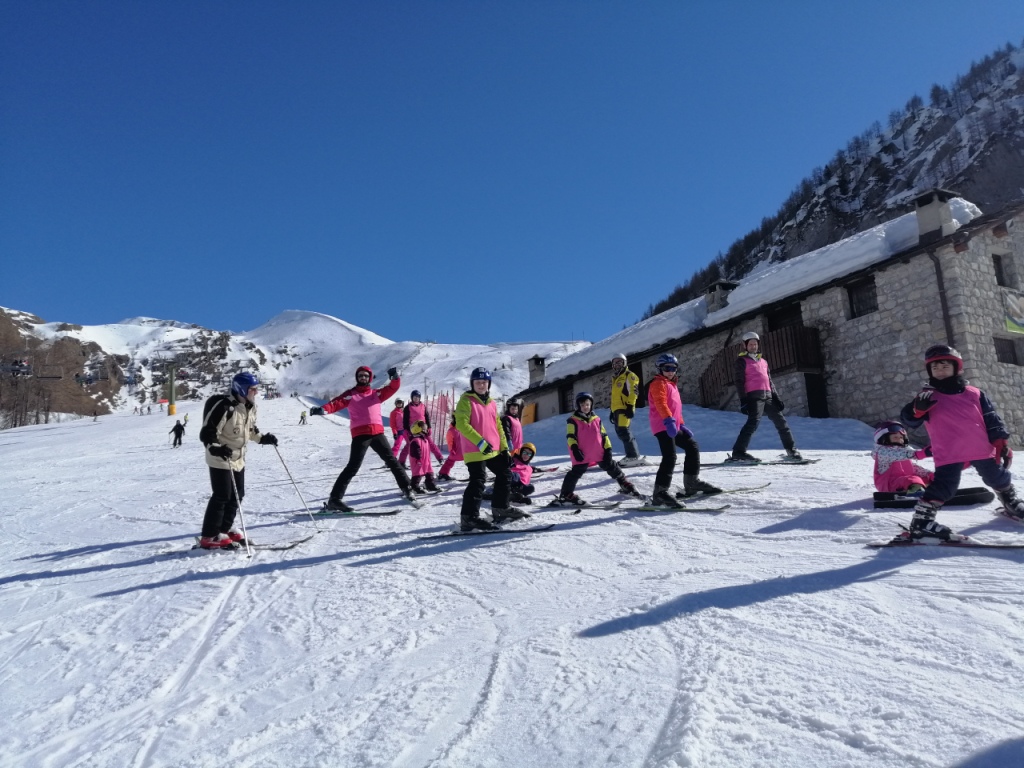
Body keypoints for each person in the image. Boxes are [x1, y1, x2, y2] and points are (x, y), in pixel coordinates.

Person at [898, 344, 1024, 541]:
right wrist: (916, 411)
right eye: (935, 367)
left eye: (945, 366)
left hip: (981, 448)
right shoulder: (927, 396)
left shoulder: (975, 393)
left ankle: (1010, 502)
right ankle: (921, 522)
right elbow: (909, 420)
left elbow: (991, 418)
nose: (940, 371)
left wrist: (1001, 440)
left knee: (998, 477)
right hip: (949, 452)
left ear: (957, 367)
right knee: (944, 486)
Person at [317, 366, 414, 512]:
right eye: (360, 375)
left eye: (365, 376)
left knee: (392, 461)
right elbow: (336, 403)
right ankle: (334, 500)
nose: (363, 378)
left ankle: (407, 489)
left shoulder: (376, 394)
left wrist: (395, 378)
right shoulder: (351, 395)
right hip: (360, 434)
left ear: (370, 378)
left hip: (377, 433)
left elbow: (392, 388)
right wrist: (323, 409)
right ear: (357, 378)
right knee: (353, 466)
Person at [197, 372, 277, 550]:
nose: (256, 392)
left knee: (237, 495)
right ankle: (210, 535)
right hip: (220, 457)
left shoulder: (249, 407)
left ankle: (224, 529)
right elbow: (207, 432)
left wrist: (263, 439)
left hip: (238, 458)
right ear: (242, 389)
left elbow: (250, 429)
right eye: (252, 389)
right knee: (222, 496)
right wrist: (216, 448)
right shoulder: (224, 407)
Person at [455, 367, 528, 531]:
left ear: (489, 384)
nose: (481, 385)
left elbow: (498, 427)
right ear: (472, 384)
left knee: (505, 473)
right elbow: (461, 424)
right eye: (478, 382)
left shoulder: (492, 403)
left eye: (484, 382)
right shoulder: (466, 400)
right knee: (478, 480)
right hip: (475, 450)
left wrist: (504, 449)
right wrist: (480, 442)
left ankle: (501, 508)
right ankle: (469, 518)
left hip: (493, 450)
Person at [647, 353, 721, 507]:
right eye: (667, 368)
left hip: (673, 425)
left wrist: (681, 424)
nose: (670, 371)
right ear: (659, 368)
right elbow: (661, 403)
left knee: (692, 446)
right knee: (670, 457)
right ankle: (659, 494)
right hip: (662, 425)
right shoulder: (657, 383)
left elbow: (676, 408)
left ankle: (691, 483)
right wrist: (668, 420)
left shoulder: (671, 384)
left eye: (673, 368)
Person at [551, 392, 640, 506]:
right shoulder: (572, 420)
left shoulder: (597, 419)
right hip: (581, 452)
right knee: (576, 472)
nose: (585, 407)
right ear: (578, 406)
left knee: (611, 466)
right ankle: (566, 494)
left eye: (587, 405)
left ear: (591, 405)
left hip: (598, 451)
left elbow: (604, 435)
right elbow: (570, 436)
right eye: (582, 405)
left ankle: (624, 483)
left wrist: (608, 449)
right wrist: (574, 448)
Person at [728, 332, 802, 463]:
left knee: (781, 423)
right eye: (751, 344)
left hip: (768, 396)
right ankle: (739, 452)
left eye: (755, 344)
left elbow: (770, 381)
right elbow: (739, 382)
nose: (753, 346)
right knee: (752, 423)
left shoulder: (763, 361)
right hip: (754, 397)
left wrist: (776, 397)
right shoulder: (741, 361)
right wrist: (743, 400)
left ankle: (791, 450)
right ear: (745, 346)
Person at [872, 421, 933, 496]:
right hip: (888, 484)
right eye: (895, 437)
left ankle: (936, 490)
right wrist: (918, 454)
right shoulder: (882, 452)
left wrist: (929, 474)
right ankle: (917, 493)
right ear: (884, 438)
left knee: (926, 478)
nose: (899, 439)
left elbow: (914, 468)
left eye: (901, 437)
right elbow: (896, 454)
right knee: (912, 479)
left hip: (906, 482)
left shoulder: (904, 452)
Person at [610, 353, 647, 467]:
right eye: (615, 362)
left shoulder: (629, 375)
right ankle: (632, 455)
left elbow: (633, 392)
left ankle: (632, 456)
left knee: (624, 431)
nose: (617, 364)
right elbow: (615, 396)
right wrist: (612, 411)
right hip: (617, 409)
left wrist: (630, 406)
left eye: (620, 362)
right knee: (620, 432)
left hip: (625, 408)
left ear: (625, 363)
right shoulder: (616, 378)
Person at [399, 391, 431, 465]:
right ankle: (401, 462)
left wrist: (429, 427)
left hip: (422, 429)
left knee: (426, 445)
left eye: (417, 397)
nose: (416, 398)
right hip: (413, 430)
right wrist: (407, 430)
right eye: (414, 397)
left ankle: (429, 460)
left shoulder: (423, 406)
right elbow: (405, 420)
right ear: (412, 398)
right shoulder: (407, 408)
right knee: (409, 445)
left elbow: (427, 417)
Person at [408, 420, 440, 493]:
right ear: (418, 429)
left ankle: (430, 484)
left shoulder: (425, 440)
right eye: (424, 428)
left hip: (426, 461)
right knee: (417, 475)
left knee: (430, 473)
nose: (426, 430)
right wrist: (418, 456)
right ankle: (414, 487)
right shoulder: (415, 440)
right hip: (418, 462)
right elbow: (414, 452)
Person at [438, 415, 463, 481]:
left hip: (465, 450)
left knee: (471, 462)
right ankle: (443, 474)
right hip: (456, 451)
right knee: (450, 461)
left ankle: (475, 473)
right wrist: (451, 449)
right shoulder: (452, 430)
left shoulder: (463, 428)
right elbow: (449, 441)